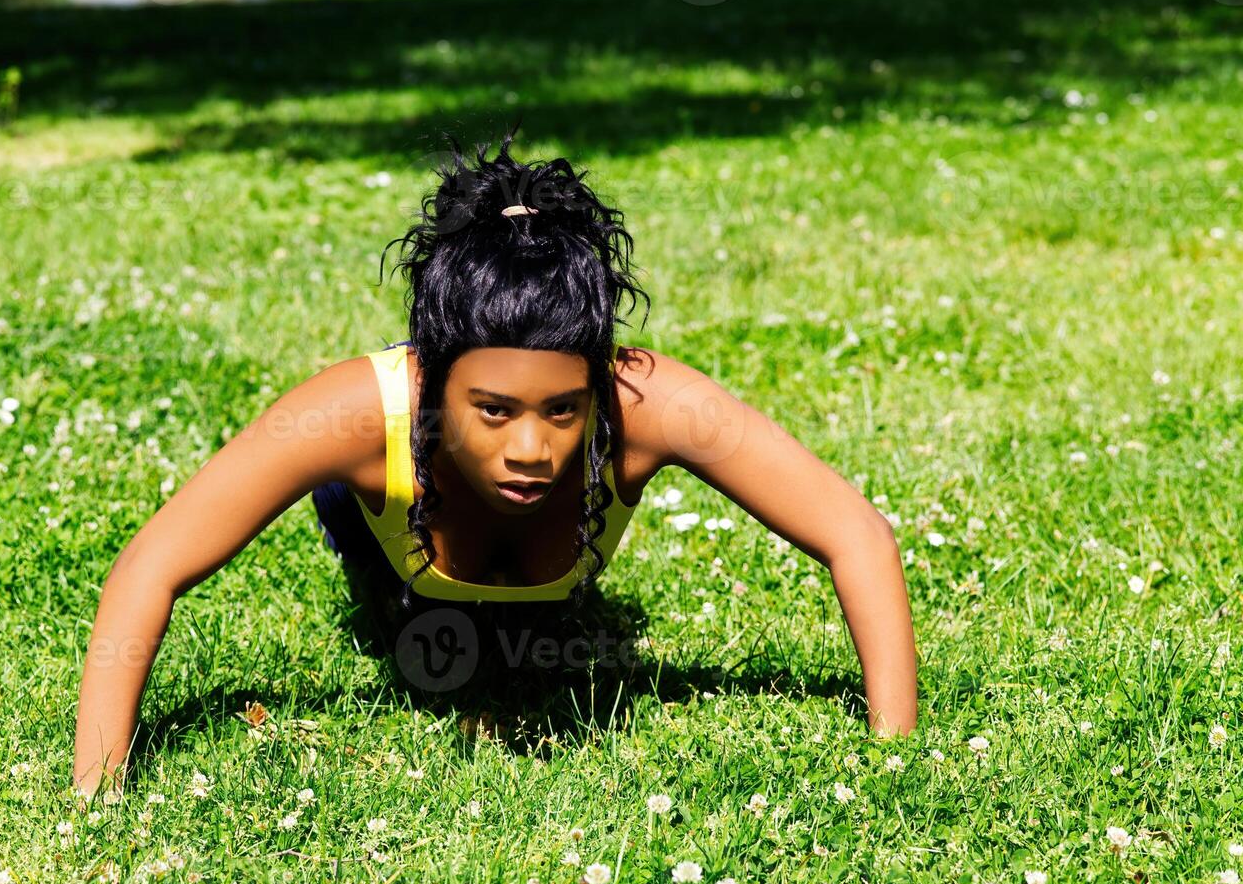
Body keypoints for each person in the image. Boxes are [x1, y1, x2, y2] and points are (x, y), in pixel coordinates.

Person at [71, 126, 918, 797]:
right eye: (494, 410)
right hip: (395, 528)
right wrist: (95, 797)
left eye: (562, 410)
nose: (530, 448)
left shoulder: (651, 402)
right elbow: (150, 569)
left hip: (548, 570)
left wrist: (895, 760)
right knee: (412, 617)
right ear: (435, 380)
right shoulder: (360, 411)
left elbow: (858, 537)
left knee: (525, 639)